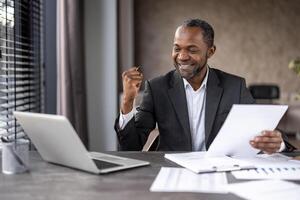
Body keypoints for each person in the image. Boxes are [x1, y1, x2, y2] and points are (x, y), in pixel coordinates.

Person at [115, 18, 295, 153]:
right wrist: (128, 102)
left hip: (218, 171)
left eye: (192, 50)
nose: (182, 56)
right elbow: (131, 147)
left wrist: (278, 143)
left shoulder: (234, 86)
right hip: (171, 171)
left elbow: (264, 129)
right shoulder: (157, 88)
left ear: (210, 51)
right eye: (177, 48)